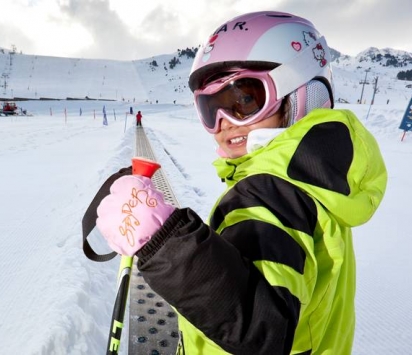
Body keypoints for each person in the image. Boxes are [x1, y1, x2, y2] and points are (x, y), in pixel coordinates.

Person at [93, 11, 387, 354]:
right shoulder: (317, 178)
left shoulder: (271, 191)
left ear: (301, 96)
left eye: (244, 100)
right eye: (209, 107)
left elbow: (261, 329)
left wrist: (165, 241)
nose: (224, 123)